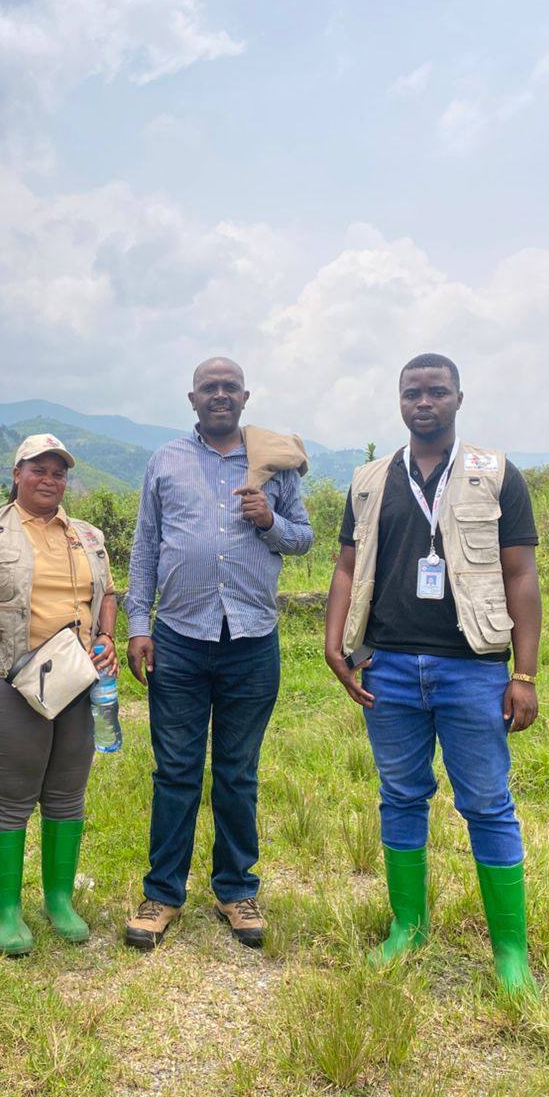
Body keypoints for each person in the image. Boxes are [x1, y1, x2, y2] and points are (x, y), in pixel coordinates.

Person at [324, 353, 541, 995]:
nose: (425, 402)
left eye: (437, 392)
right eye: (413, 392)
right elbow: (345, 566)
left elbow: (521, 575)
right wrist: (336, 644)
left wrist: (523, 674)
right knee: (400, 796)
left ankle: (510, 953)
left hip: (472, 667)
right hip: (386, 667)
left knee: (487, 803)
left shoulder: (493, 475)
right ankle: (407, 926)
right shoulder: (369, 480)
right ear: (399, 400)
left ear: (458, 398)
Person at [123, 358, 314, 950]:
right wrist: (137, 623)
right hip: (179, 636)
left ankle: (236, 890)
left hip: (252, 638)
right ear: (192, 398)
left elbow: (303, 538)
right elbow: (147, 545)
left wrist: (270, 521)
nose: (221, 395)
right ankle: (162, 894)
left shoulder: (275, 462)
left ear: (246, 396)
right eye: (211, 387)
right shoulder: (167, 461)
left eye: (230, 387)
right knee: (175, 770)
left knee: (237, 772)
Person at [0, 434, 118, 955]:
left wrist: (107, 637)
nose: (49, 479)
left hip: (75, 680)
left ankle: (59, 900)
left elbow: (106, 594)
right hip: (7, 679)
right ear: (17, 474)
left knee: (68, 792)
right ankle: (5, 911)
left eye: (58, 472)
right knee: (13, 796)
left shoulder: (87, 536)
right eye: (38, 469)